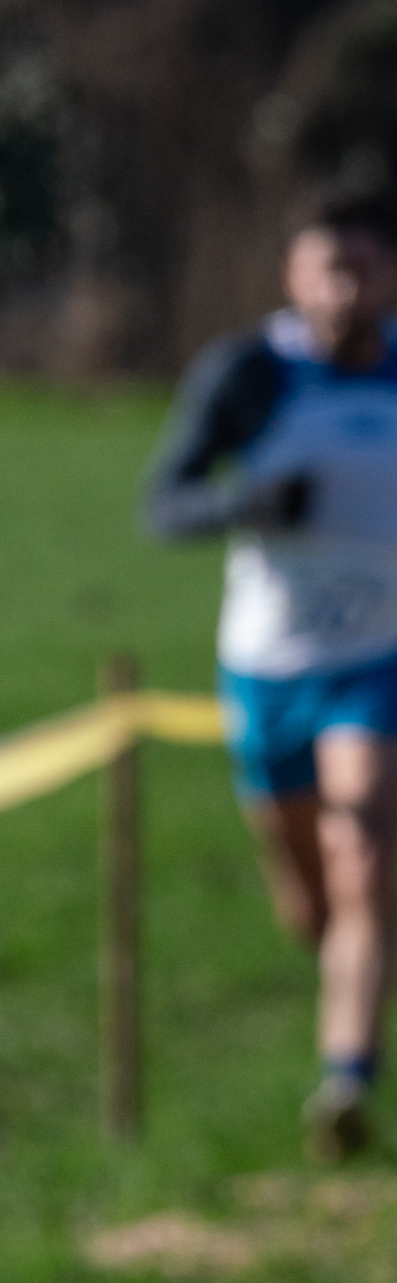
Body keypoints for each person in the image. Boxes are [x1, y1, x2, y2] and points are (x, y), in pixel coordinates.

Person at [143, 181, 397, 1161]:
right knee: (311, 902)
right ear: (294, 275)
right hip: (266, 666)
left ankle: (346, 1078)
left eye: (364, 268)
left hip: (374, 662)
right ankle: (349, 966)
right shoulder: (249, 373)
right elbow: (164, 503)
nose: (346, 288)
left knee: (362, 849)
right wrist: (247, 504)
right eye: (329, 268)